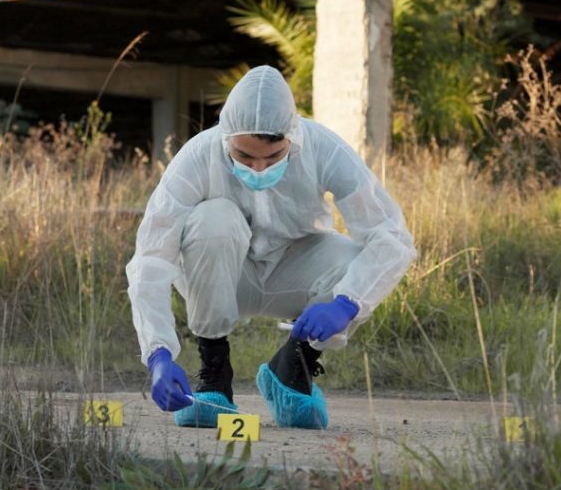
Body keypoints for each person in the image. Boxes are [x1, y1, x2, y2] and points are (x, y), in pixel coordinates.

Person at [125, 65, 416, 429]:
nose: (259, 168)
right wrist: (158, 354)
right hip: (221, 276)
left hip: (294, 271)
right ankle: (214, 374)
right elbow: (151, 259)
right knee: (213, 219)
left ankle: (295, 365)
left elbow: (391, 236)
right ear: (225, 137)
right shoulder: (197, 156)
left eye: (273, 157)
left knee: (357, 260)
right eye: (244, 157)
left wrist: (346, 303)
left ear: (292, 137)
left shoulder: (323, 147)